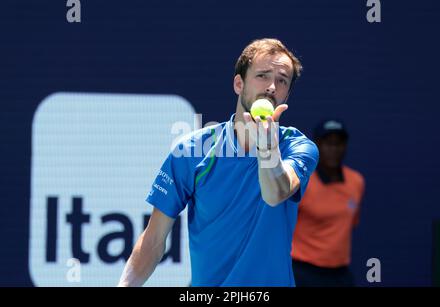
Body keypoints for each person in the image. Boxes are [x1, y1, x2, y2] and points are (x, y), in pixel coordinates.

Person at [118, 38, 319, 287]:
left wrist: (267, 147)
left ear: (287, 94)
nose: (271, 87)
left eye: (282, 81)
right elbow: (153, 241)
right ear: (239, 83)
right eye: (262, 76)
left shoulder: (299, 147)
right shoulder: (191, 152)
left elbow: (275, 194)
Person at [291, 119, 365, 287]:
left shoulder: (356, 181)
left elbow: (348, 223)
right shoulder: (302, 181)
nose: (334, 149)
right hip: (303, 273)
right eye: (328, 143)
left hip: (340, 274)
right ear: (316, 146)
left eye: (338, 144)